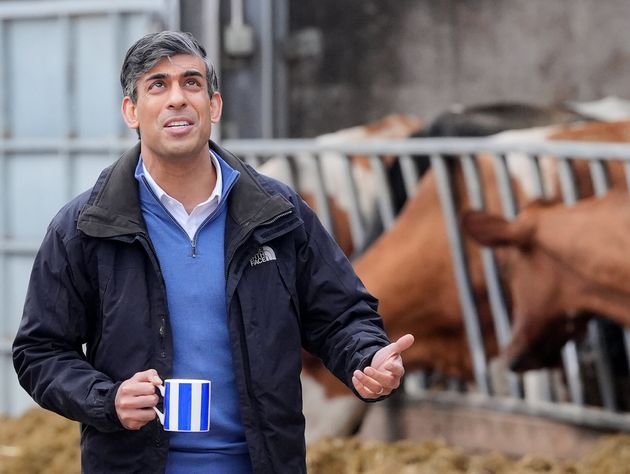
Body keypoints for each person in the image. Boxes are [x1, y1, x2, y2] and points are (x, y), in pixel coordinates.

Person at [12, 30, 414, 473]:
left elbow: (341, 315)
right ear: (131, 111)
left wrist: (366, 357)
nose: (177, 99)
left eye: (191, 83)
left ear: (214, 105)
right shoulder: (83, 228)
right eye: (157, 85)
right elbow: (40, 351)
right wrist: (108, 399)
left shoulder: (277, 215)